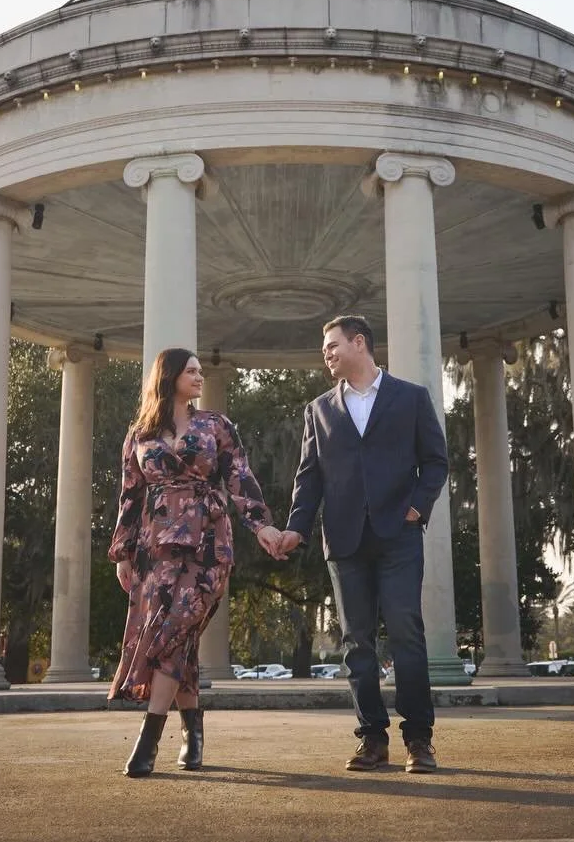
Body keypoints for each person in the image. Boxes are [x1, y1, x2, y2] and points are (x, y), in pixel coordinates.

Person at [276, 315, 449, 773]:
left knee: (406, 634)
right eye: (324, 348)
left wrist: (416, 508)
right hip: (345, 539)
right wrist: (296, 528)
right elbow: (308, 477)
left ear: (359, 343)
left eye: (332, 344)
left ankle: (419, 740)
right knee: (357, 642)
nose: (326, 353)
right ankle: (372, 739)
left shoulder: (410, 397)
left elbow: (435, 461)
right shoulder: (319, 409)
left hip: (400, 536)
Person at [108, 347, 282, 777]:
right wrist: (122, 553)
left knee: (173, 631)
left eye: (202, 371)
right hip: (156, 547)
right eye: (191, 371)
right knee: (178, 640)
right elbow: (129, 498)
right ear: (169, 377)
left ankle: (148, 741)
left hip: (209, 542)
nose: (200, 377)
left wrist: (261, 526)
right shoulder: (139, 435)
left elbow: (240, 476)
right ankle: (194, 737)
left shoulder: (216, 425)